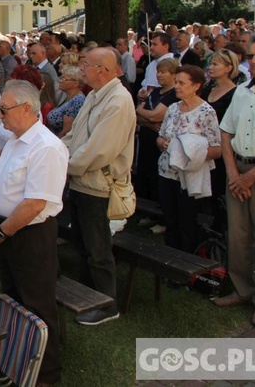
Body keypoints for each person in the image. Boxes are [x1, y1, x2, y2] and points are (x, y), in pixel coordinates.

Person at [0, 80, 68, 385]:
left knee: (37, 304)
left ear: (27, 109)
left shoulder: (46, 147)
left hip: (30, 235)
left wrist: (2, 232)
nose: (0, 115)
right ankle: (18, 361)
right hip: (10, 231)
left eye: (3, 109)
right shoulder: (15, 139)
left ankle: (45, 375)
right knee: (13, 299)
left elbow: (34, 203)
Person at [63, 47, 136, 325]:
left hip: (99, 186)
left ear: (103, 70)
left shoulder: (118, 101)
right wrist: (55, 153)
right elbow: (76, 137)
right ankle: (86, 296)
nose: (82, 69)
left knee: (98, 248)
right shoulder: (95, 95)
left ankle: (106, 304)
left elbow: (99, 150)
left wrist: (65, 166)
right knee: (82, 243)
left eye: (87, 65)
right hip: (83, 183)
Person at [214, 31, 255, 327]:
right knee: (238, 235)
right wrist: (234, 173)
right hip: (237, 170)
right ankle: (242, 289)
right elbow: (225, 131)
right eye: (252, 56)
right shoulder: (242, 91)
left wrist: (251, 177)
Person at [156, 65, 221, 255]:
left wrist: (188, 151)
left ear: (196, 86)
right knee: (170, 219)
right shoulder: (173, 108)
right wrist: (163, 143)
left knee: (186, 222)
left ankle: (186, 263)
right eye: (176, 82)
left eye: (181, 83)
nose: (176, 86)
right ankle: (169, 260)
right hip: (167, 172)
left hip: (189, 176)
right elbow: (159, 136)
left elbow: (216, 150)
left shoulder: (206, 112)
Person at [200, 49, 239, 232]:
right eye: (211, 63)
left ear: (228, 68)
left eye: (216, 64)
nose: (211, 67)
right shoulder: (207, 88)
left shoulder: (235, 94)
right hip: (202, 148)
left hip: (222, 150)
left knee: (217, 192)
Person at [135, 58, 179, 201]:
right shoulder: (155, 92)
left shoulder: (173, 95)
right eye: (158, 71)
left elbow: (155, 116)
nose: (159, 75)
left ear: (173, 74)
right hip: (146, 139)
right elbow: (138, 117)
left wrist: (142, 112)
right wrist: (147, 121)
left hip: (159, 144)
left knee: (156, 176)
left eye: (163, 72)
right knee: (144, 173)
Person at [46, 65, 85, 138]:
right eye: (61, 78)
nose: (60, 81)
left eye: (63, 79)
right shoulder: (68, 98)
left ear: (75, 83)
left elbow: (66, 131)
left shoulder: (77, 101)